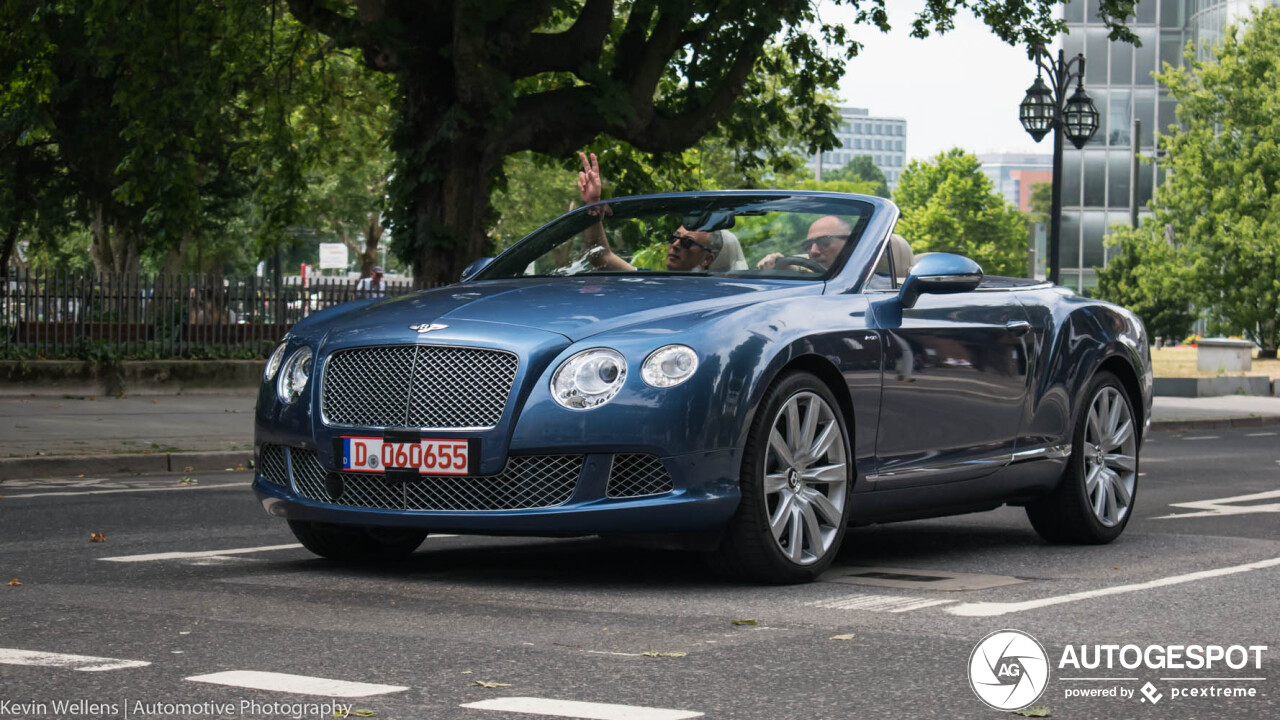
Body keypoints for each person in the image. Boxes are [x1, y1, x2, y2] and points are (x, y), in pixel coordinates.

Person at [577, 152, 722, 272]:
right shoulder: (650, 282)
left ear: (707, 259)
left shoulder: (723, 298)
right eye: (674, 238)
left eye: (687, 242)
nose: (675, 245)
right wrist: (593, 204)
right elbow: (600, 257)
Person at [755, 215, 853, 271]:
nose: (813, 251)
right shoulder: (804, 266)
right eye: (808, 245)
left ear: (850, 243)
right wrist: (774, 263)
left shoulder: (866, 277)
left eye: (824, 241)